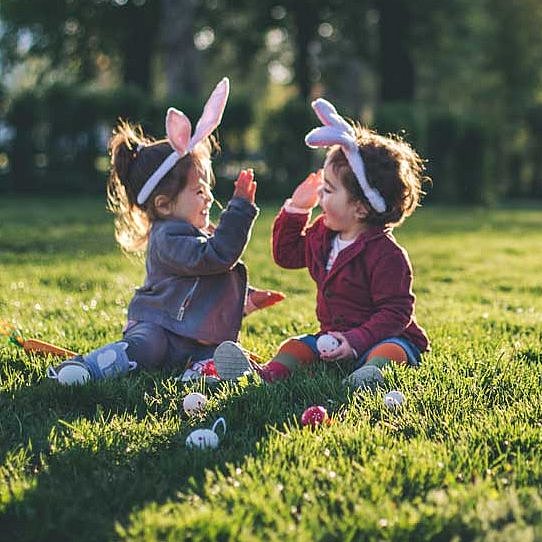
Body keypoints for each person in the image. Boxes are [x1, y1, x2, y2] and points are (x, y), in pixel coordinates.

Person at [47, 78, 279, 385]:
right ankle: (88, 368)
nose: (209, 196)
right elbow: (216, 258)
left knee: (212, 351)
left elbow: (207, 281)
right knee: (147, 349)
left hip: (192, 334)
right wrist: (238, 210)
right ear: (165, 204)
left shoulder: (192, 231)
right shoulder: (167, 237)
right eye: (198, 190)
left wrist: (246, 298)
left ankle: (202, 372)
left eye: (207, 187)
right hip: (160, 327)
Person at [213, 97, 430, 388]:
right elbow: (286, 255)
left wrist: (355, 341)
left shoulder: (387, 255)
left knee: (390, 351)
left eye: (328, 190)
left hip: (383, 337)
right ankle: (266, 374)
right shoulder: (323, 234)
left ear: (361, 208)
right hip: (332, 337)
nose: (321, 198)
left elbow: (396, 312)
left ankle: (369, 375)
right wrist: (296, 211)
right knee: (295, 346)